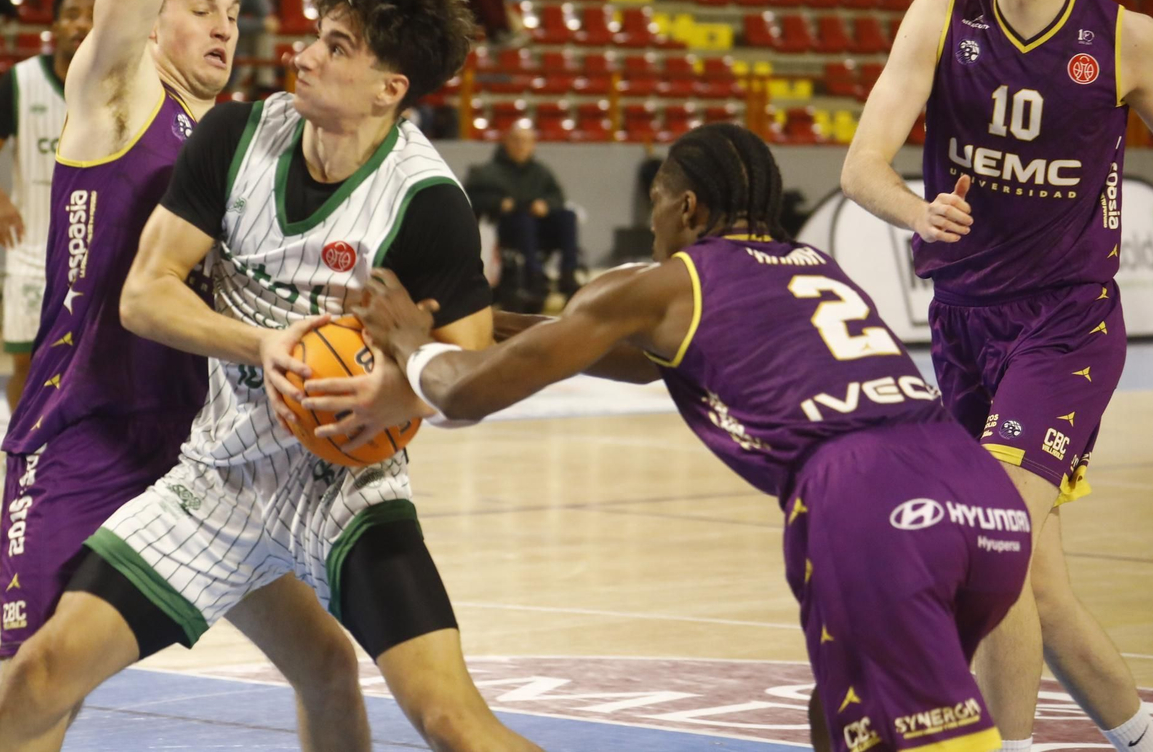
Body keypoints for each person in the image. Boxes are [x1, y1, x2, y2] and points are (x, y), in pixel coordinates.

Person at [340, 122, 1032, 752]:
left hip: (873, 506)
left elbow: (465, 393)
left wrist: (411, 341)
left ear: (689, 208)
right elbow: (626, 356)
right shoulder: (816, 267)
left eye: (657, 205)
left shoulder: (666, 285)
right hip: (983, 499)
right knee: (840, 707)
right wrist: (487, 322)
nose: (653, 225)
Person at [0, 0, 374, 752]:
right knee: (42, 687)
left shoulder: (226, 141)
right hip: (85, 435)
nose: (224, 25)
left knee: (328, 664)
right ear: (147, 21)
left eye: (233, 10)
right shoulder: (117, 92)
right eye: (200, 6)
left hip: (197, 450)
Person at [840, 0, 1153, 752]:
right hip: (961, 323)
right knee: (1044, 594)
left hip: (1067, 323)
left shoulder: (1125, 38)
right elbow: (862, 166)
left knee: (993, 545)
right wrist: (916, 210)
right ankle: (1149, 745)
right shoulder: (940, 15)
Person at [0, 0, 94, 410]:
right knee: (26, 363)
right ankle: (22, 447)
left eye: (92, 17)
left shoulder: (117, 87)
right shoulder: (21, 81)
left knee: (90, 366)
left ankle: (73, 445)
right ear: (54, 26)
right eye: (72, 15)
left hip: (94, 249)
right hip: (32, 248)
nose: (81, 24)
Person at [466, 121, 581, 311]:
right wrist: (498, 202)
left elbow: (557, 196)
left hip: (540, 227)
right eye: (517, 140)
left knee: (567, 216)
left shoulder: (540, 172)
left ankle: (568, 274)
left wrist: (546, 204)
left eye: (527, 141)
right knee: (523, 220)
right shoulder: (486, 171)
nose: (521, 146)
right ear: (506, 142)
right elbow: (472, 197)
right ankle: (534, 275)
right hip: (507, 227)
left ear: (533, 145)